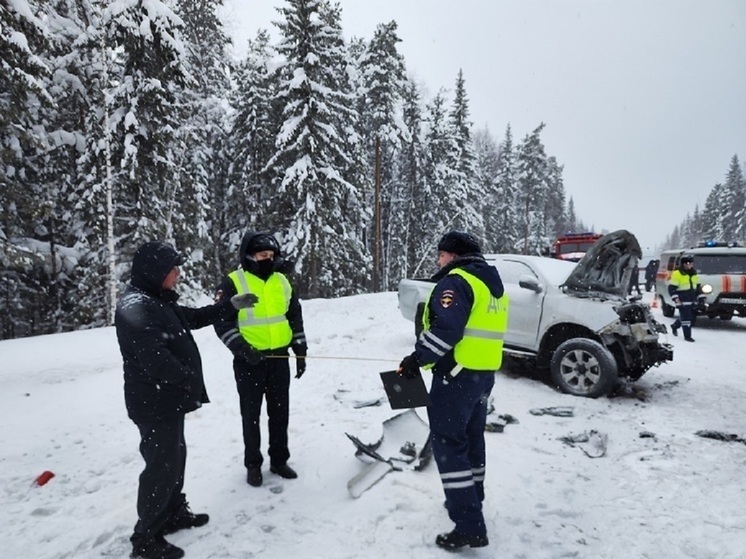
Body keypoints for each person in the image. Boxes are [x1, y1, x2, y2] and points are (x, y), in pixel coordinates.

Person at [115, 241, 245, 559]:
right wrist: (190, 379)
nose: (178, 273)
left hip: (166, 401)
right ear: (155, 272)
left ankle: (173, 512)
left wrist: (230, 305)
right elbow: (155, 361)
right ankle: (145, 538)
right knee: (161, 467)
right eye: (173, 269)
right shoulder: (136, 306)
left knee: (174, 459)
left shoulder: (156, 299)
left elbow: (192, 317)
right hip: (153, 403)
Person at [397, 230, 509, 550]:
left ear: (452, 255)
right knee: (472, 440)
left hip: (455, 377)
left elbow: (446, 331)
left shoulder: (456, 281)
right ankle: (473, 498)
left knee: (449, 445)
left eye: (441, 254)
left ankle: (469, 524)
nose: (438, 259)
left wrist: (416, 359)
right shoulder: (491, 285)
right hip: (482, 376)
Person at [213, 231, 307, 487]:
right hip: (248, 362)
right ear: (249, 255)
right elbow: (222, 323)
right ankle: (252, 464)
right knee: (251, 415)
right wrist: (243, 350)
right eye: (262, 255)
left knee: (279, 413)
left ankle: (279, 460)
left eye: (271, 255)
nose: (267, 259)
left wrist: (300, 349)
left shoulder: (282, 281)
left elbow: (294, 316)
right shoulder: (233, 282)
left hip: (279, 358)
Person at [668, 255, 701, 342]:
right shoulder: (677, 274)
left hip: (692, 298)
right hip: (682, 298)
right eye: (687, 263)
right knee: (687, 318)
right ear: (683, 264)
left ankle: (675, 326)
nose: (690, 265)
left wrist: (700, 297)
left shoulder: (694, 273)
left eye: (691, 263)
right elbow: (671, 288)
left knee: (688, 316)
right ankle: (687, 336)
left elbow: (698, 287)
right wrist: (676, 299)